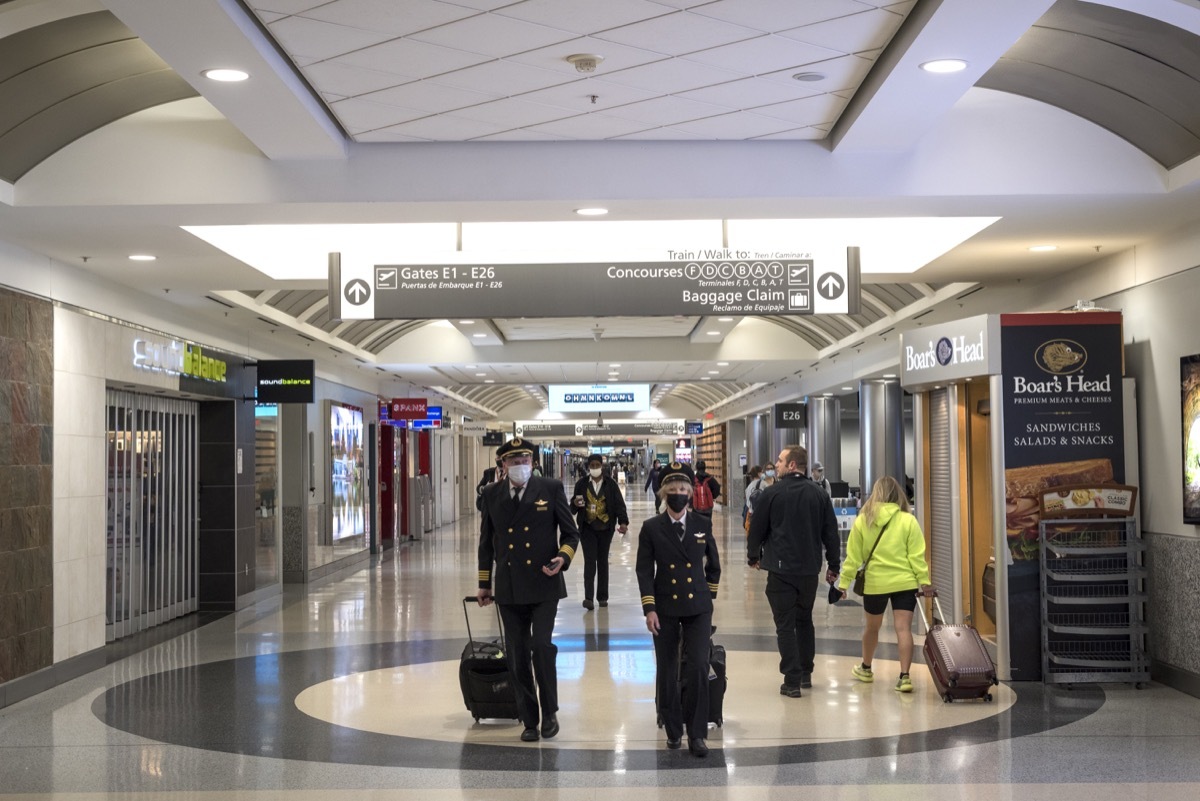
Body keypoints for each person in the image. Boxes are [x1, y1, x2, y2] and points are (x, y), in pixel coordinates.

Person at [477, 437, 580, 742]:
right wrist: (484, 583)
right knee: (518, 654)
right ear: (503, 465)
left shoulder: (549, 489)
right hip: (509, 587)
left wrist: (563, 557)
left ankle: (550, 712)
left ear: (533, 463)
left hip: (544, 582)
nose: (520, 465)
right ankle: (529, 718)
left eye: (525, 460)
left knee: (541, 648)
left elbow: (571, 534)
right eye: (513, 461)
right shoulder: (493, 494)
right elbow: (486, 542)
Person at [635, 461, 721, 758]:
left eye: (683, 489)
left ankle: (697, 733)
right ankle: (673, 729)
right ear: (663, 493)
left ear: (690, 492)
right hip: (666, 606)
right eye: (672, 489)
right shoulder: (651, 528)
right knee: (668, 668)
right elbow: (644, 571)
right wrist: (650, 609)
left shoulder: (702, 524)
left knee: (697, 667)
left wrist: (708, 598)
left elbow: (714, 565)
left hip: (698, 606)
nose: (678, 493)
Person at [747, 445, 839, 697]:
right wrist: (833, 566)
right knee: (804, 619)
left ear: (791, 465)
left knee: (785, 625)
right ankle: (806, 672)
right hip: (809, 570)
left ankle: (792, 679)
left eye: (779, 460)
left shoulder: (773, 493)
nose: (775, 464)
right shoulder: (819, 495)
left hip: (780, 570)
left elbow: (757, 529)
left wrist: (753, 556)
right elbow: (830, 532)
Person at [836, 475, 932, 693]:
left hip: (875, 583)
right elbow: (917, 555)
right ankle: (905, 676)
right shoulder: (908, 520)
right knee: (903, 629)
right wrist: (924, 581)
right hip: (905, 583)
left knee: (872, 628)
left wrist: (843, 584)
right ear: (898, 494)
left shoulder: (863, 520)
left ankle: (866, 668)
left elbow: (853, 558)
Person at [572, 453, 630, 610]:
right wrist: (575, 504)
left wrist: (623, 522)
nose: (595, 468)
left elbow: (619, 504)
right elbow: (572, 508)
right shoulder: (582, 484)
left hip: (605, 529)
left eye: (598, 465)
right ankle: (588, 598)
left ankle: (602, 597)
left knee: (602, 562)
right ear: (588, 467)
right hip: (587, 528)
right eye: (592, 465)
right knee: (589, 562)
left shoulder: (610, 484)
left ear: (602, 466)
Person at [743, 463, 776, 531]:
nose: (763, 473)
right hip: (761, 514)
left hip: (750, 514)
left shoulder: (749, 486)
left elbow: (747, 502)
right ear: (758, 474)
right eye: (761, 472)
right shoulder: (763, 483)